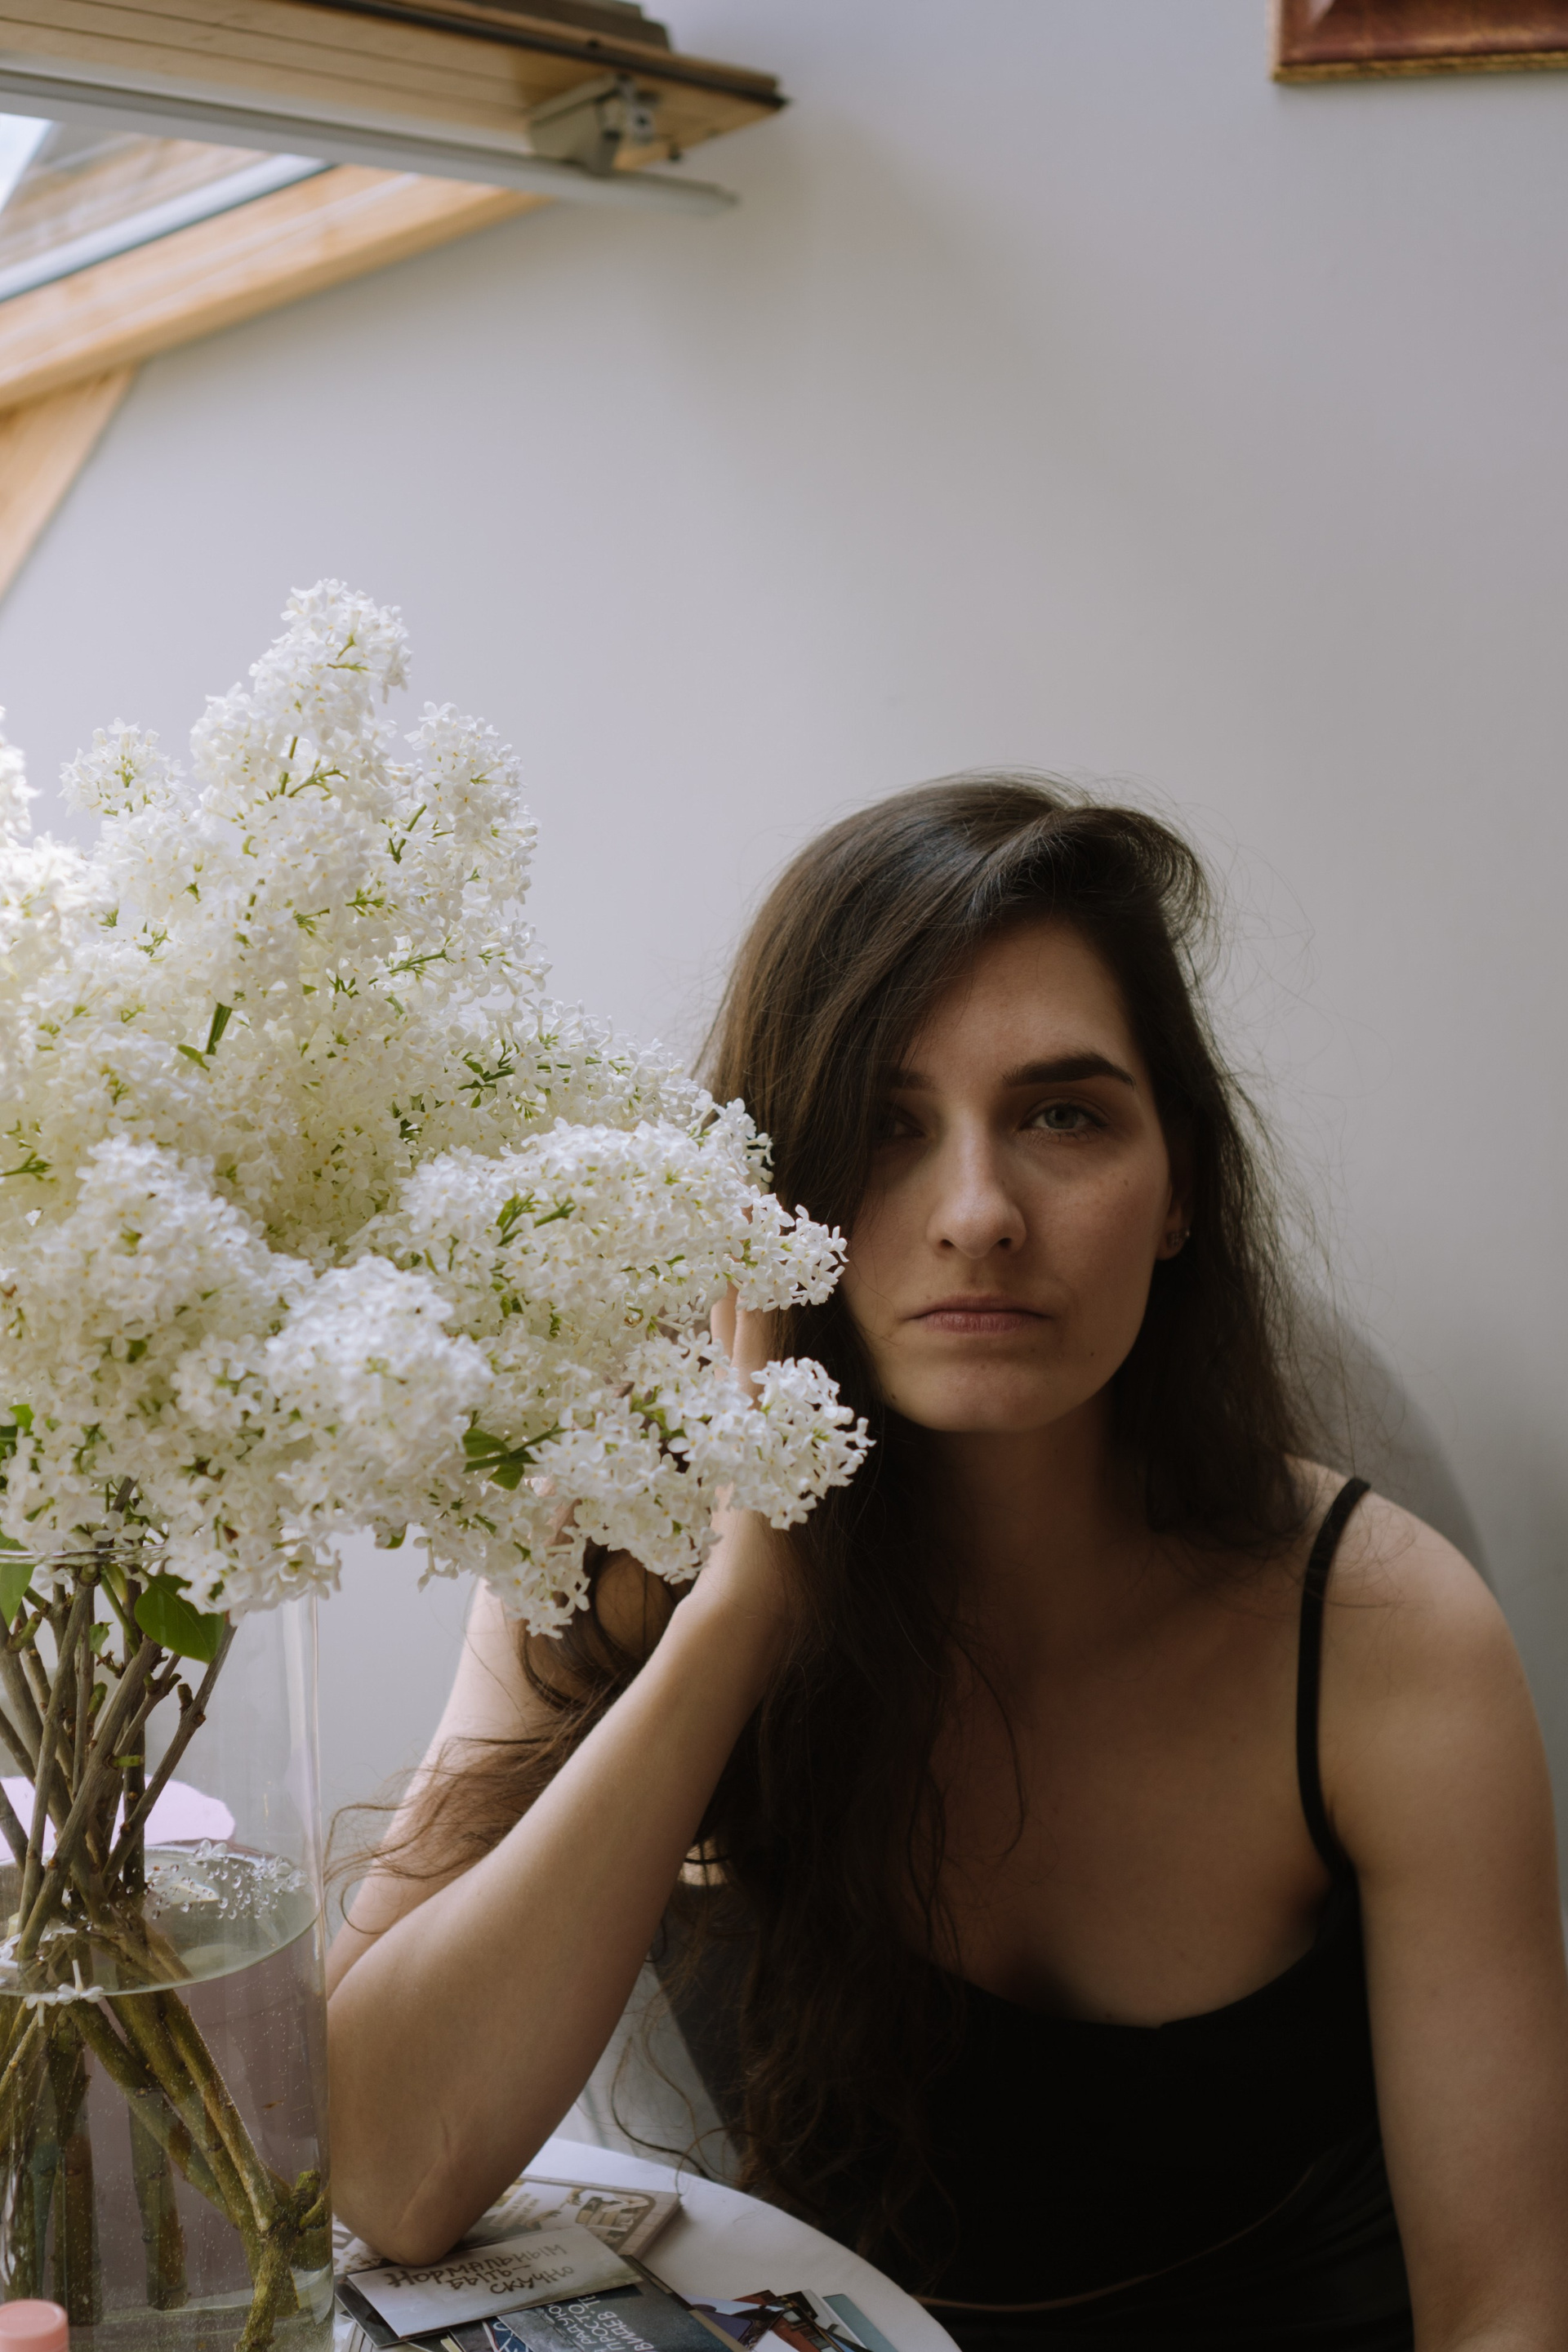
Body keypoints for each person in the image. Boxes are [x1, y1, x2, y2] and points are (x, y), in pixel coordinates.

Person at [327, 778, 1568, 2350]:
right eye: (884, 1127)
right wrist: (748, 1602)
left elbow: (1506, 2308)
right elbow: (383, 2173)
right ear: (763, 1196)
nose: (978, 1214)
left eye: (1063, 1116)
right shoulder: (617, 1548)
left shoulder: (1385, 1633)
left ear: (1181, 1188)